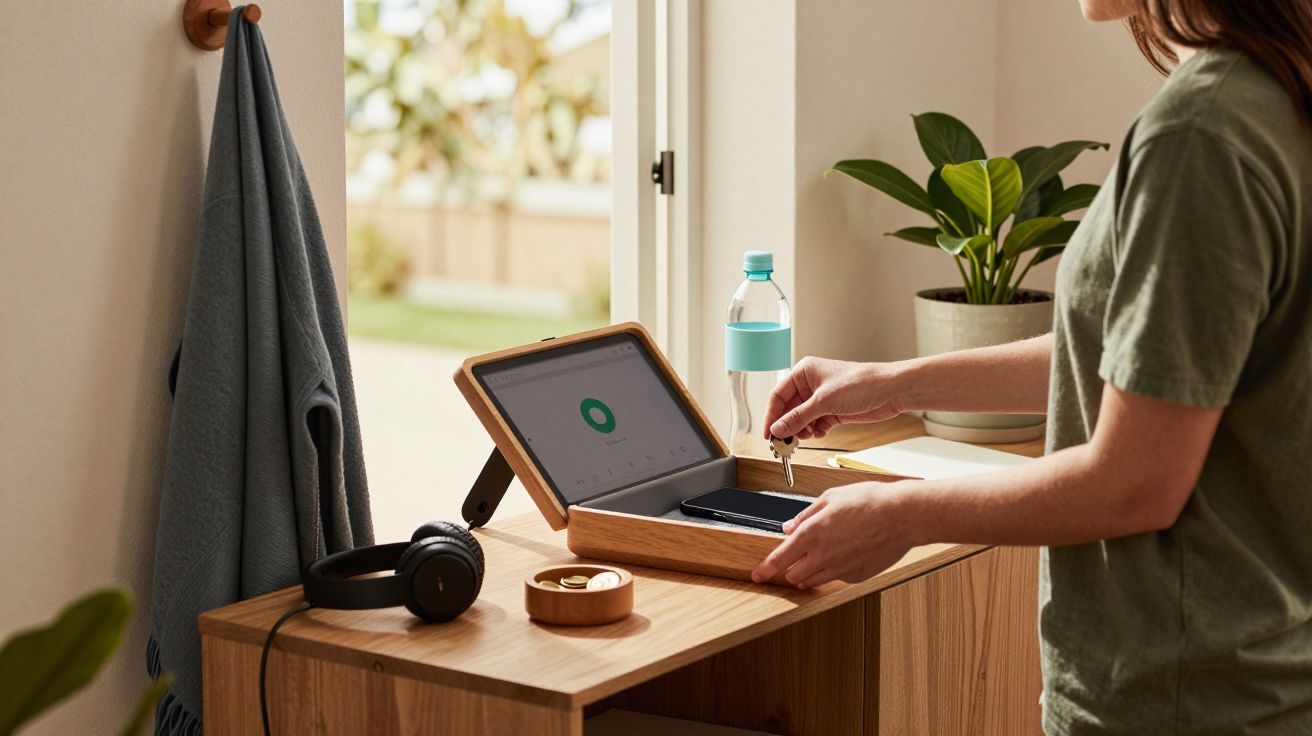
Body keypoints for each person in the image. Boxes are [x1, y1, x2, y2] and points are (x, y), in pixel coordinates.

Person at [749, 1, 1312, 733]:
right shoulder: (1275, 97)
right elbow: (1146, 362)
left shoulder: (1198, 135)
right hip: (1262, 672)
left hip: (1177, 698)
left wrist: (897, 515)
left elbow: (1136, 483)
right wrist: (893, 384)